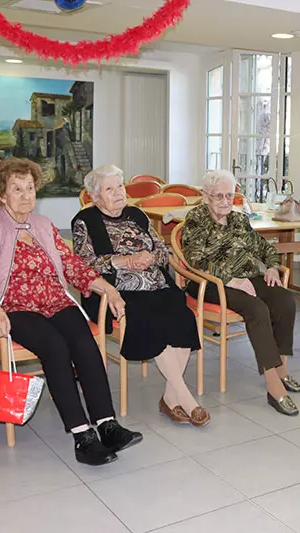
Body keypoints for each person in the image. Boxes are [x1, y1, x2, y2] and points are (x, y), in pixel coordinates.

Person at [0, 157, 142, 466]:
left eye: (30, 188)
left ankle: (107, 424)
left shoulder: (43, 225)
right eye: (17, 189)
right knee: (55, 348)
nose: (26, 195)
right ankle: (82, 436)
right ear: (1, 194)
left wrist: (107, 288)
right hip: (13, 305)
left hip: (55, 299)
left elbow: (71, 265)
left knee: (85, 344)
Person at [72, 164, 209, 427]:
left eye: (120, 186)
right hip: (117, 292)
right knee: (151, 321)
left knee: (182, 317)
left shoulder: (137, 214)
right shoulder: (84, 221)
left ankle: (170, 398)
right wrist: (122, 261)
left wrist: (148, 257)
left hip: (157, 285)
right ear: (95, 196)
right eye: (109, 189)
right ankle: (186, 399)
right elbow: (83, 263)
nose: (118, 192)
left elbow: (162, 250)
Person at [181, 170, 300, 416]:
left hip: (244, 278)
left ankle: (282, 368)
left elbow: (264, 247)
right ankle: (273, 384)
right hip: (209, 282)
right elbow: (194, 259)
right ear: (205, 196)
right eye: (219, 196)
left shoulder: (238, 220)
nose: (226, 201)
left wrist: (270, 266)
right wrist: (230, 280)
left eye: (230, 195)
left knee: (285, 299)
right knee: (257, 309)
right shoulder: (196, 219)